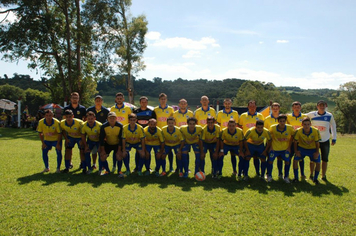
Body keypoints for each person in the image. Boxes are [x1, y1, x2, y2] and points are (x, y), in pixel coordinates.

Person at [307, 100, 337, 181]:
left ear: (325, 106)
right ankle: (311, 175)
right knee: (313, 159)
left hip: (325, 140)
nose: (322, 107)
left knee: (325, 159)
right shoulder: (311, 114)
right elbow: (301, 117)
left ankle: (323, 176)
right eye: (320, 105)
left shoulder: (329, 115)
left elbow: (333, 126)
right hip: (314, 141)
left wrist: (334, 138)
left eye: (323, 105)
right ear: (317, 106)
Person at [238, 100, 264, 177]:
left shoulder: (260, 116)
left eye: (253, 106)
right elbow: (240, 127)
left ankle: (258, 172)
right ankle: (244, 172)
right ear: (248, 107)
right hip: (247, 142)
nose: (252, 108)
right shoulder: (243, 116)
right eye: (250, 106)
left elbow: (262, 128)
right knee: (246, 157)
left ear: (256, 107)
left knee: (257, 157)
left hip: (258, 141)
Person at [293, 117, 321, 184]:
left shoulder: (315, 131)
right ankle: (296, 178)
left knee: (318, 162)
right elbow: (295, 142)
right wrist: (296, 151)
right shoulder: (298, 131)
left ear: (310, 124)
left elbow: (317, 143)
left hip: (313, 149)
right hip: (302, 148)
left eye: (308, 124)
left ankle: (315, 178)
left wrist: (317, 152)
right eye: (305, 124)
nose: (306, 126)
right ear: (302, 124)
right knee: (295, 160)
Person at [267, 114, 295, 183]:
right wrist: (271, 147)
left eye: (283, 121)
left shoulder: (290, 128)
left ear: (286, 121)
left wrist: (289, 147)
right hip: (275, 148)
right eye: (280, 121)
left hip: (285, 149)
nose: (282, 123)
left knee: (287, 161)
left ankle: (286, 176)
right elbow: (269, 137)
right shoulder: (273, 127)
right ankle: (269, 176)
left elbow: (293, 136)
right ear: (278, 121)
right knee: (270, 161)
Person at [110, 92, 132, 172]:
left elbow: (131, 120)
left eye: (120, 98)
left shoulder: (128, 109)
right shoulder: (112, 109)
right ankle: (114, 166)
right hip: (115, 132)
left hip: (125, 132)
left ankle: (127, 168)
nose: (119, 100)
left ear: (123, 99)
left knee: (125, 150)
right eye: (118, 99)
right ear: (116, 99)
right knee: (116, 150)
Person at [133, 96, 156, 172]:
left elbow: (154, 123)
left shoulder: (151, 112)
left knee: (147, 152)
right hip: (138, 134)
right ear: (140, 103)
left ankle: (148, 167)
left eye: (145, 102)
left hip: (148, 134)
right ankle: (137, 167)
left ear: (147, 102)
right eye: (142, 102)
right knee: (138, 151)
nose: (144, 103)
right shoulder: (135, 112)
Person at [217, 98, 239, 175]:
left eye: (229, 103)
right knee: (221, 154)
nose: (227, 105)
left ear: (231, 104)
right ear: (223, 104)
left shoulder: (235, 113)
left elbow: (237, 125)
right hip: (223, 139)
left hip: (233, 138)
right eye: (226, 103)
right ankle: (219, 171)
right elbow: (219, 124)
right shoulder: (220, 113)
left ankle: (235, 171)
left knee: (233, 155)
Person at [287, 101, 308, 180]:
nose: (296, 109)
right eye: (295, 107)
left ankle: (302, 174)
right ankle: (287, 174)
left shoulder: (304, 116)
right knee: (289, 158)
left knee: (300, 158)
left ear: (300, 108)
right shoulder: (288, 117)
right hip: (291, 141)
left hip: (301, 141)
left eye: (298, 107)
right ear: (292, 108)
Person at [154, 93, 175, 172]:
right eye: (161, 99)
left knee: (169, 150)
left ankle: (171, 167)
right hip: (159, 133)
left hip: (168, 132)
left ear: (166, 100)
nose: (163, 100)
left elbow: (172, 120)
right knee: (159, 151)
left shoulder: (170, 109)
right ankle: (158, 167)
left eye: (164, 99)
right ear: (159, 100)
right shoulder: (155, 109)